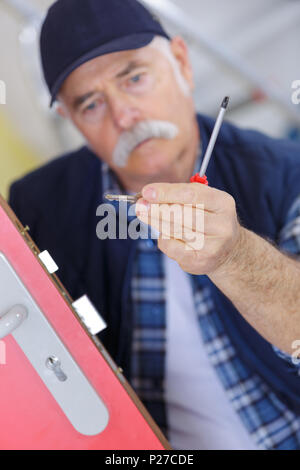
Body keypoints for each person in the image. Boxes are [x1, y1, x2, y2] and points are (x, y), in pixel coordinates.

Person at [9, 0, 300, 450]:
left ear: (182, 63)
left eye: (135, 77)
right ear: (69, 120)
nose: (124, 114)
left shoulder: (285, 172)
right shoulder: (39, 207)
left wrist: (236, 254)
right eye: (91, 102)